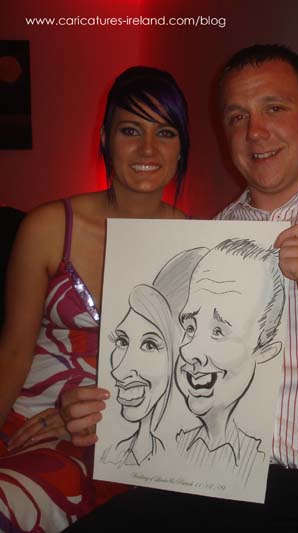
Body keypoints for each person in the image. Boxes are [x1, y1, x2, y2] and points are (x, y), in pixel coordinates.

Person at [62, 44, 298, 531]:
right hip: (206, 483)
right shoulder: (206, 237)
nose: (254, 132)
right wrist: (105, 408)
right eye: (237, 116)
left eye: (274, 108)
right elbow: (168, 372)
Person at [0, 64, 192, 532]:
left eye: (165, 133)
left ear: (181, 147)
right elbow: (13, 353)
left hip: (134, 433)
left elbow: (187, 380)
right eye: (131, 130)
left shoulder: (196, 247)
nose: (148, 149)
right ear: (106, 138)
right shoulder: (48, 227)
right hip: (32, 418)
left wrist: (112, 418)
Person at [175, 238, 284, 485]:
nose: (190, 350)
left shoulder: (254, 456)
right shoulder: (165, 447)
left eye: (218, 331)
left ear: (265, 350)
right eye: (190, 327)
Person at [101, 248, 206, 468]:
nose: (118, 371)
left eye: (150, 345)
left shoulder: (212, 460)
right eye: (122, 341)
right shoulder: (111, 454)